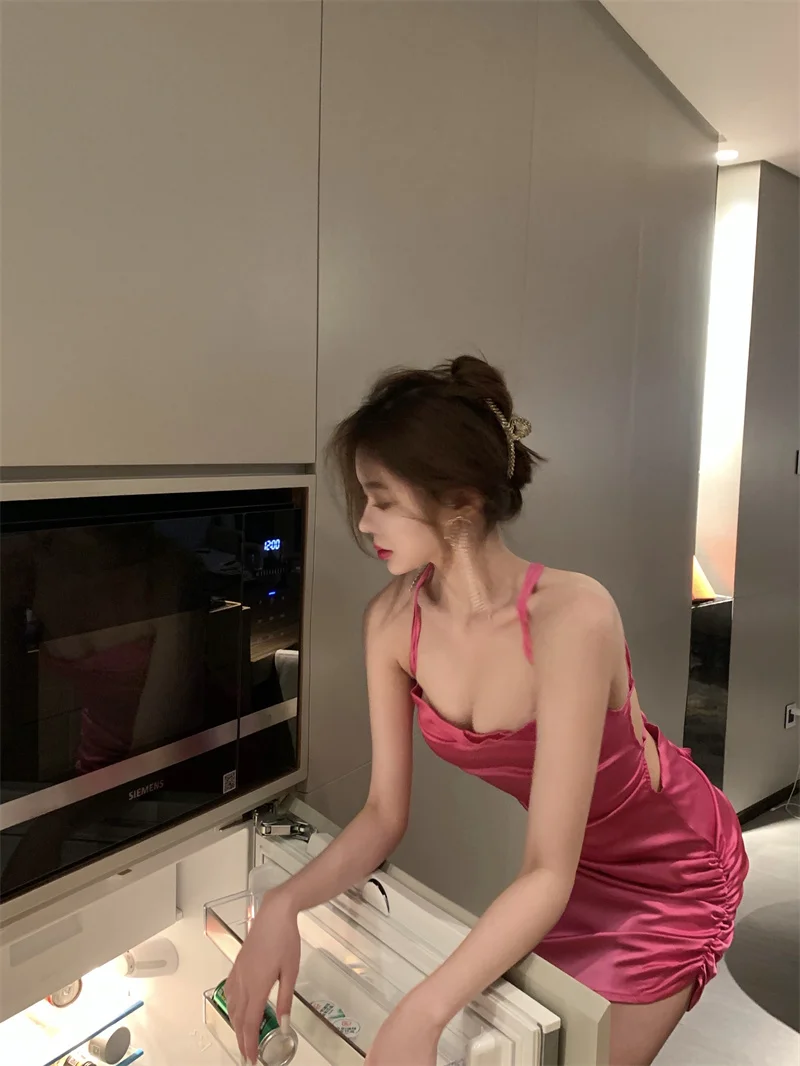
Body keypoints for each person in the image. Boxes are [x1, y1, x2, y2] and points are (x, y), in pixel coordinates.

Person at [225, 356, 748, 1066]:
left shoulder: (572, 616)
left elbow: (547, 869)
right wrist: (283, 905)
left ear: (460, 501)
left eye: (382, 498)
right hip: (561, 873)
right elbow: (383, 815)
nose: (364, 520)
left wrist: (423, 1011)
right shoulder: (391, 624)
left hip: (668, 869)